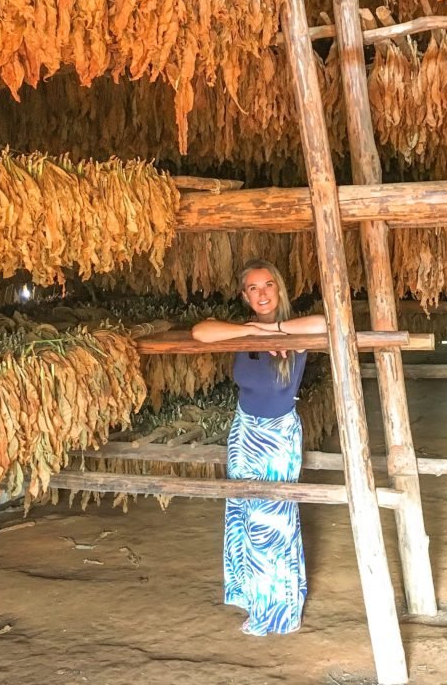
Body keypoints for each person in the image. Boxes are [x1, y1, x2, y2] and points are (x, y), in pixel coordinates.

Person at [191, 259, 326, 635]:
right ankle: (255, 599)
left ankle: (279, 613)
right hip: (244, 430)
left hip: (277, 433)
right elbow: (201, 332)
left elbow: (325, 324)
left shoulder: (297, 329)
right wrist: (252, 330)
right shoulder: (240, 332)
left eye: (269, 285)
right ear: (244, 295)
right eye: (253, 288)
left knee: (273, 521)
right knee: (244, 515)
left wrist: (276, 331)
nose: (263, 293)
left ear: (280, 288)